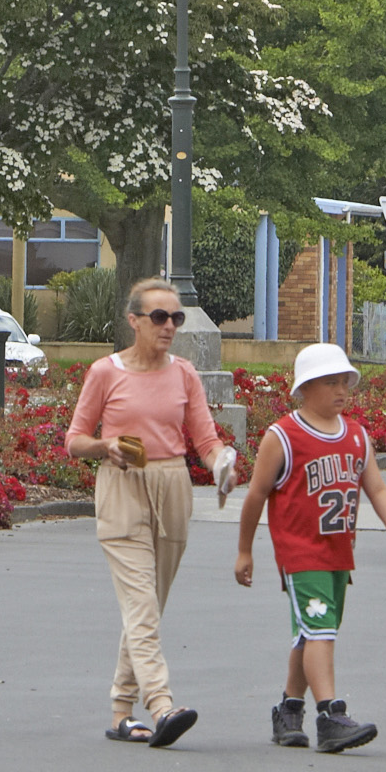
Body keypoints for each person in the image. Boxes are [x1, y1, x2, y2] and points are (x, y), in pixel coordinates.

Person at [65, 278, 233, 747]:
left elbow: (204, 439)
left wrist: (222, 464)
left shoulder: (184, 374)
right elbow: (74, 439)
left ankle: (122, 710)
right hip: (122, 486)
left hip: (172, 485)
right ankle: (162, 705)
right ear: (134, 320)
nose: (169, 326)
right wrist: (105, 445)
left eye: (175, 318)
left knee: (148, 607)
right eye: (159, 317)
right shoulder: (106, 372)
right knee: (141, 603)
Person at [232, 341, 386, 752]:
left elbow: (378, 489)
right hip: (300, 553)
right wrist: (246, 550)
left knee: (312, 633)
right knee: (321, 633)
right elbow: (256, 495)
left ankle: (288, 711)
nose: (341, 390)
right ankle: (330, 716)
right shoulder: (283, 436)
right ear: (304, 388)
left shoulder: (356, 436)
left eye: (345, 381)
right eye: (330, 382)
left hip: (338, 555)